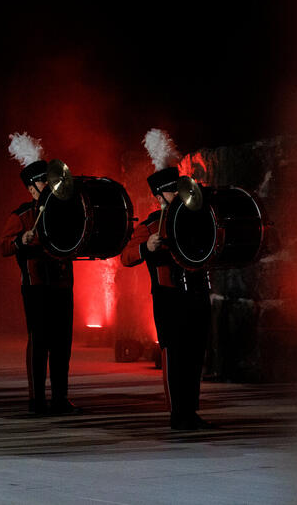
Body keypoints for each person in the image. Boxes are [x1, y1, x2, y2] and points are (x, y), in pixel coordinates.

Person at [121, 128, 213, 430]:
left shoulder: (199, 218)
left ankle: (192, 411)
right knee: (174, 355)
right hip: (168, 298)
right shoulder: (150, 225)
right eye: (172, 190)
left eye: (179, 187)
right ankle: (178, 413)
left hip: (197, 294)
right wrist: (146, 247)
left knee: (195, 353)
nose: (179, 193)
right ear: (160, 195)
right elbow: (126, 257)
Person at [0, 132, 80, 416]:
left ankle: (60, 398)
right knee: (39, 341)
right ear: (31, 187)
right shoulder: (21, 215)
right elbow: (3, 246)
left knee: (62, 344)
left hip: (62, 283)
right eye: (43, 181)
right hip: (35, 285)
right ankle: (37, 400)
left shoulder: (65, 210)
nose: (49, 184)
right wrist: (21, 239)